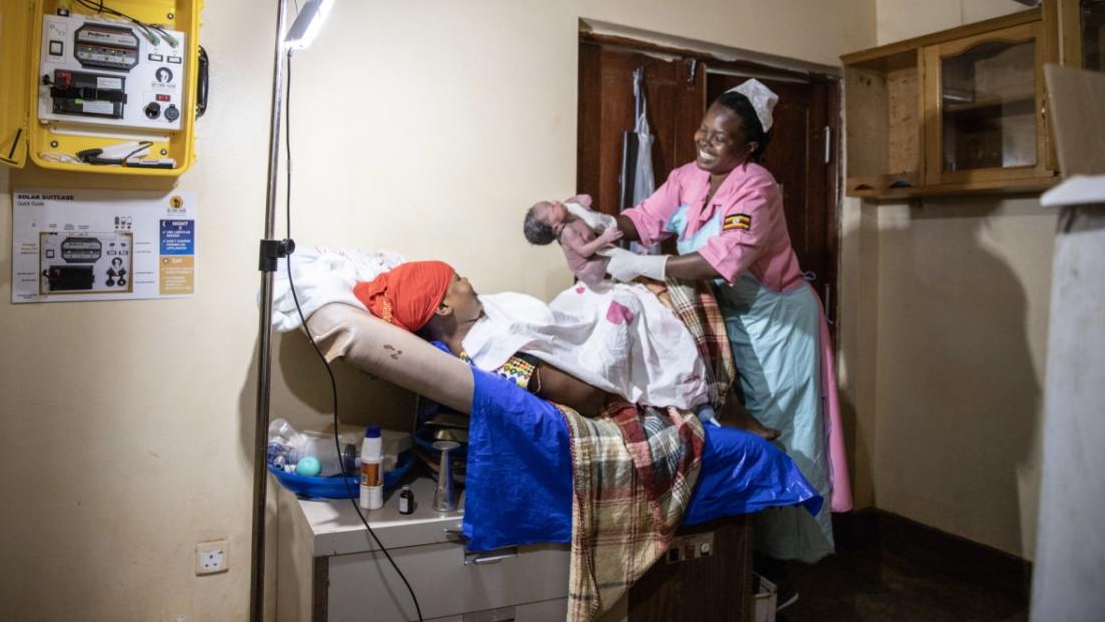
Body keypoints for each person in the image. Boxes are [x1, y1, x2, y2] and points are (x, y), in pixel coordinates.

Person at [570, 79, 852, 568]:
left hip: (778, 323)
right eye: (703, 131)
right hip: (729, 320)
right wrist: (597, 223)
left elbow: (725, 258)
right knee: (734, 423)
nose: (704, 141)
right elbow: (646, 219)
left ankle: (789, 554)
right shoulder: (687, 177)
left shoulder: (756, 188)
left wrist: (647, 267)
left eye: (719, 138)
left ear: (749, 148)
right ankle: (746, 552)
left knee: (784, 432)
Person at [353, 260, 613, 416]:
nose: (467, 280)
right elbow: (590, 397)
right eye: (458, 279)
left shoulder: (482, 318)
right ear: (443, 307)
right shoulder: (494, 353)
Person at [522, 195, 622, 285]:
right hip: (588, 270)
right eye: (552, 207)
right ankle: (622, 275)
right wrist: (604, 238)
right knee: (612, 254)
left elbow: (573, 203)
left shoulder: (564, 216)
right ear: (557, 227)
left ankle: (619, 274)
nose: (555, 201)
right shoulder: (567, 232)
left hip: (592, 257)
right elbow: (584, 251)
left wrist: (580, 200)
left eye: (550, 202)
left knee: (610, 250)